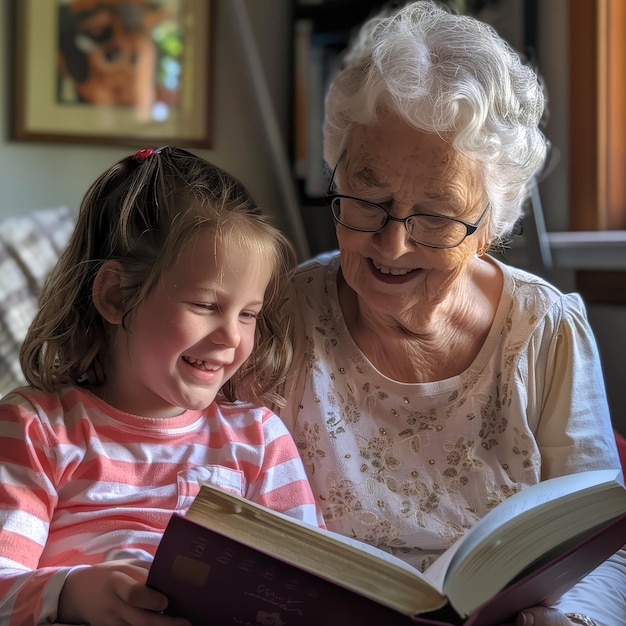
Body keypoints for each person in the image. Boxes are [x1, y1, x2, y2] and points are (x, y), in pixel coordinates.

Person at [255, 2, 626, 625]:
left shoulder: (545, 330)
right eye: (367, 199)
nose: (392, 244)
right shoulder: (285, 314)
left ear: (491, 224)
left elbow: (604, 545)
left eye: (435, 214)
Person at [0, 147, 324, 626]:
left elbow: (312, 587)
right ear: (116, 295)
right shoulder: (36, 430)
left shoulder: (258, 440)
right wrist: (72, 593)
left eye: (249, 314)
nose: (232, 337)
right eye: (205, 305)